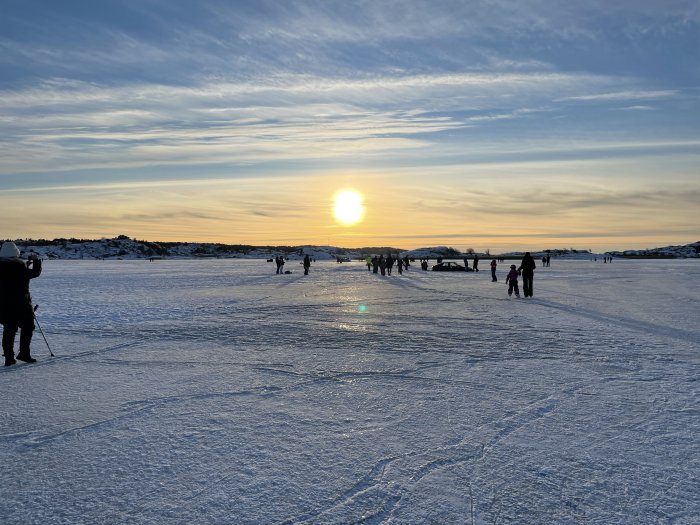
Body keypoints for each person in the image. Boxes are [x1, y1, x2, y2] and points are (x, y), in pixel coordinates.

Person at [0, 242, 42, 366]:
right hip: (21, 303)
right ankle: (24, 353)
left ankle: (9, 358)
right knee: (28, 326)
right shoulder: (19, 266)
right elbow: (35, 273)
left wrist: (25, 266)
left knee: (9, 330)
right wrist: (36, 261)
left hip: (3, 304)